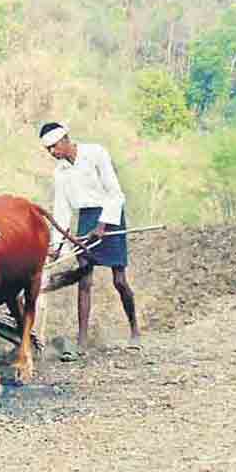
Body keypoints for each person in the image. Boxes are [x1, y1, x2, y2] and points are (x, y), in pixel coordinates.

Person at [39, 122, 140, 361]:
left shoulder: (96, 153)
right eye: (48, 150)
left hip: (110, 215)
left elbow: (116, 193)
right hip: (86, 220)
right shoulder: (60, 172)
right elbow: (62, 210)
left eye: (55, 147)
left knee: (119, 280)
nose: (53, 153)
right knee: (84, 280)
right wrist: (57, 245)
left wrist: (103, 226)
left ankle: (135, 329)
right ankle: (82, 341)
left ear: (65, 139)